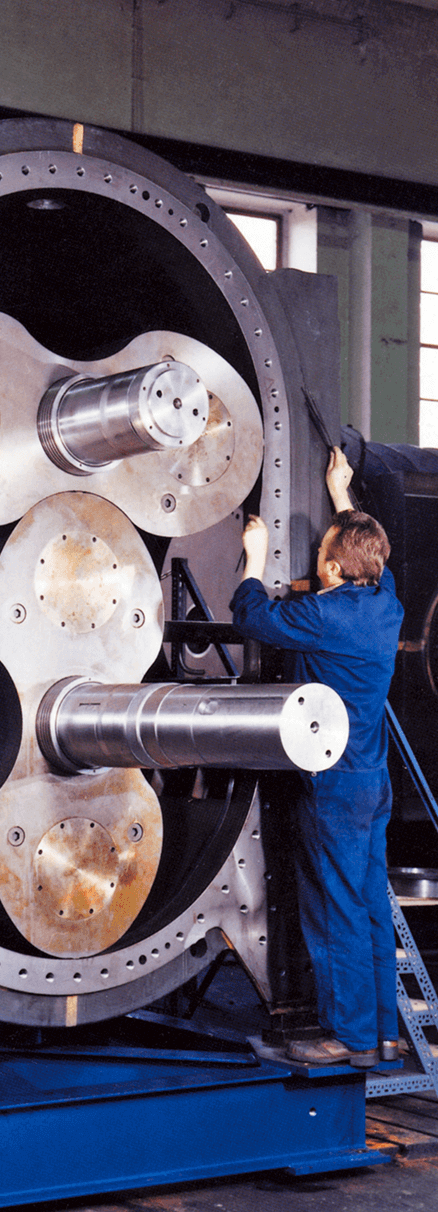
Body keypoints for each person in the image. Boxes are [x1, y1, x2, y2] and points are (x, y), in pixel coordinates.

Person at [230, 447, 403, 1067]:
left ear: (330, 567)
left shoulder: (322, 618)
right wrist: (342, 493)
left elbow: (251, 615)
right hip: (375, 780)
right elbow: (366, 553)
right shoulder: (388, 606)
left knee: (336, 911)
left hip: (332, 784)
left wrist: (252, 557)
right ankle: (385, 1032)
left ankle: (349, 1038)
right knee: (369, 903)